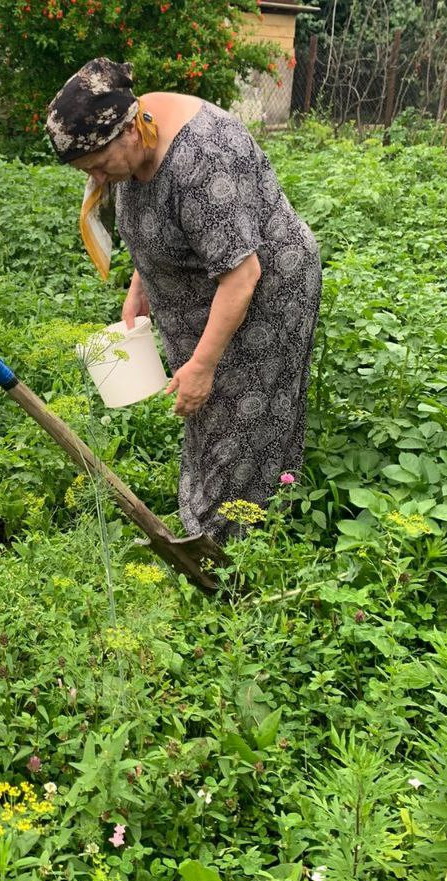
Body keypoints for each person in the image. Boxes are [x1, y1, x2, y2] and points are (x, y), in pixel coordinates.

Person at [46, 58, 320, 542]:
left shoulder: (201, 158)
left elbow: (242, 275)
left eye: (99, 165)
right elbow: (158, 224)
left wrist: (202, 366)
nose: (98, 178)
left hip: (266, 290)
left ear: (130, 130)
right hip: (209, 288)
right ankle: (211, 523)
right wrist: (140, 287)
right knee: (210, 412)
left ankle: (232, 547)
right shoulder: (135, 144)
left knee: (242, 413)